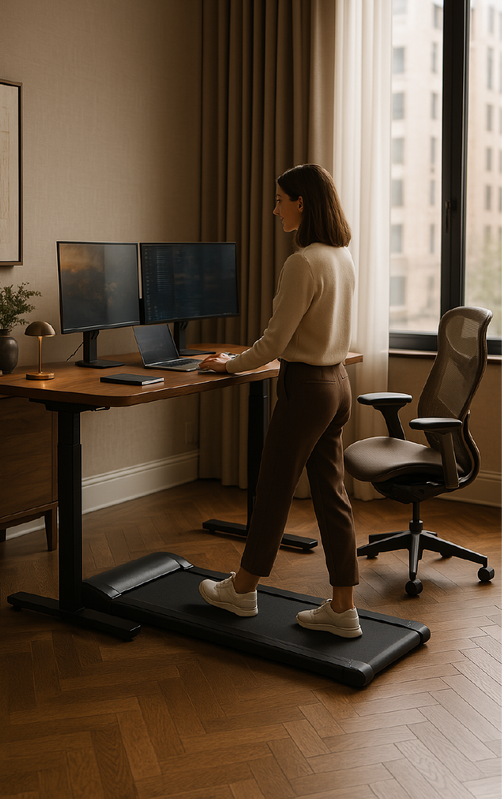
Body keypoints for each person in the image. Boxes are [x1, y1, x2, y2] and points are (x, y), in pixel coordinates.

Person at [198, 163, 361, 638]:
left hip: (306, 389)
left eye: (279, 200)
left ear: (301, 204)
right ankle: (343, 608)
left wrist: (224, 363)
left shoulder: (304, 262)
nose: (274, 210)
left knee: (272, 490)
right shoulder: (342, 256)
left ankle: (243, 590)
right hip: (336, 384)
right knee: (333, 495)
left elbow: (272, 345)